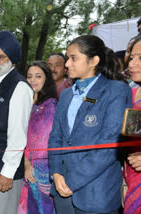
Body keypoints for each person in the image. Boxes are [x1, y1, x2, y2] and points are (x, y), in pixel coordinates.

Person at [48, 35, 131, 214]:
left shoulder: (116, 91)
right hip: (61, 189)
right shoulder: (66, 95)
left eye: (73, 58)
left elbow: (109, 146)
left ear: (93, 61)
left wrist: (72, 180)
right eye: (67, 58)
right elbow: (56, 137)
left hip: (96, 193)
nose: (67, 64)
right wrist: (55, 173)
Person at [0, 31, 33, 214]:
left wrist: (7, 172)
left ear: (12, 58)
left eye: (1, 57)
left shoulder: (20, 87)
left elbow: (18, 134)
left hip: (3, 171)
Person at [18, 61, 57, 214]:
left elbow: (43, 141)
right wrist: (26, 163)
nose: (33, 80)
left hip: (42, 171)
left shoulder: (50, 106)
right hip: (26, 167)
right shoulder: (25, 103)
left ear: (46, 79)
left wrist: (31, 165)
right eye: (29, 76)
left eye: (38, 76)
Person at [124, 35, 141, 214]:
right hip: (130, 176)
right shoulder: (131, 92)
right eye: (132, 57)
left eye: (140, 58)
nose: (132, 63)